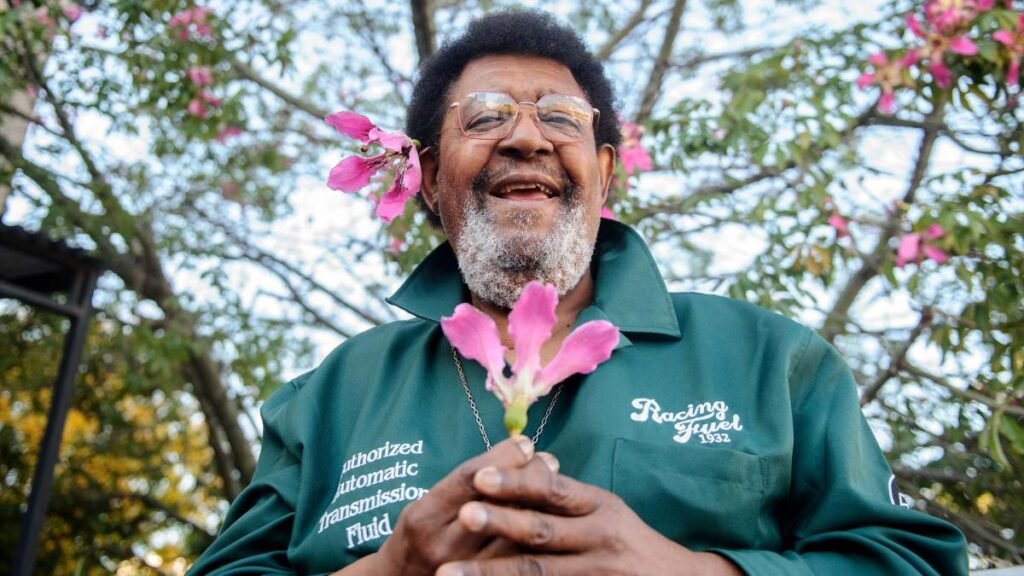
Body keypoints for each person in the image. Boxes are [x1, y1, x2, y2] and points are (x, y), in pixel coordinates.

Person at [188, 10, 969, 576]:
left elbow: (913, 564)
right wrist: (390, 570)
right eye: (486, 116)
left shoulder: (774, 362)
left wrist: (693, 574)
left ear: (608, 174)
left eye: (560, 118)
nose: (526, 138)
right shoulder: (329, 398)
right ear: (426, 177)